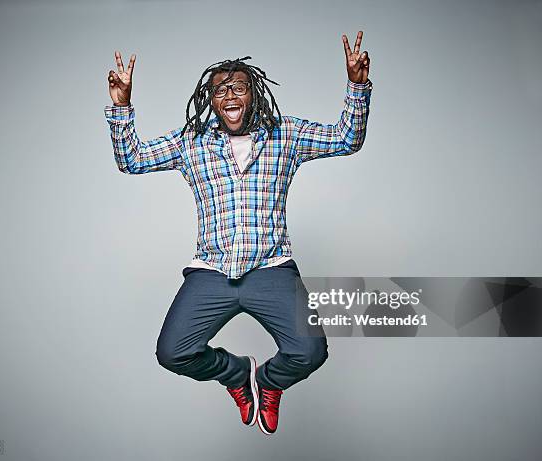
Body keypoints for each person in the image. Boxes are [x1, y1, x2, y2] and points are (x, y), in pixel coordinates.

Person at [104, 31, 372, 435]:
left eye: (238, 87)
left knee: (310, 351)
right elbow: (132, 159)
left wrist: (356, 85)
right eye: (219, 90)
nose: (229, 95)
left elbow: (347, 139)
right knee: (173, 353)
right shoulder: (191, 143)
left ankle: (267, 381)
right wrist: (122, 106)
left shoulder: (286, 134)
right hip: (211, 272)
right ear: (210, 100)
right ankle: (235, 373)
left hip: (271, 269)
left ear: (254, 94)